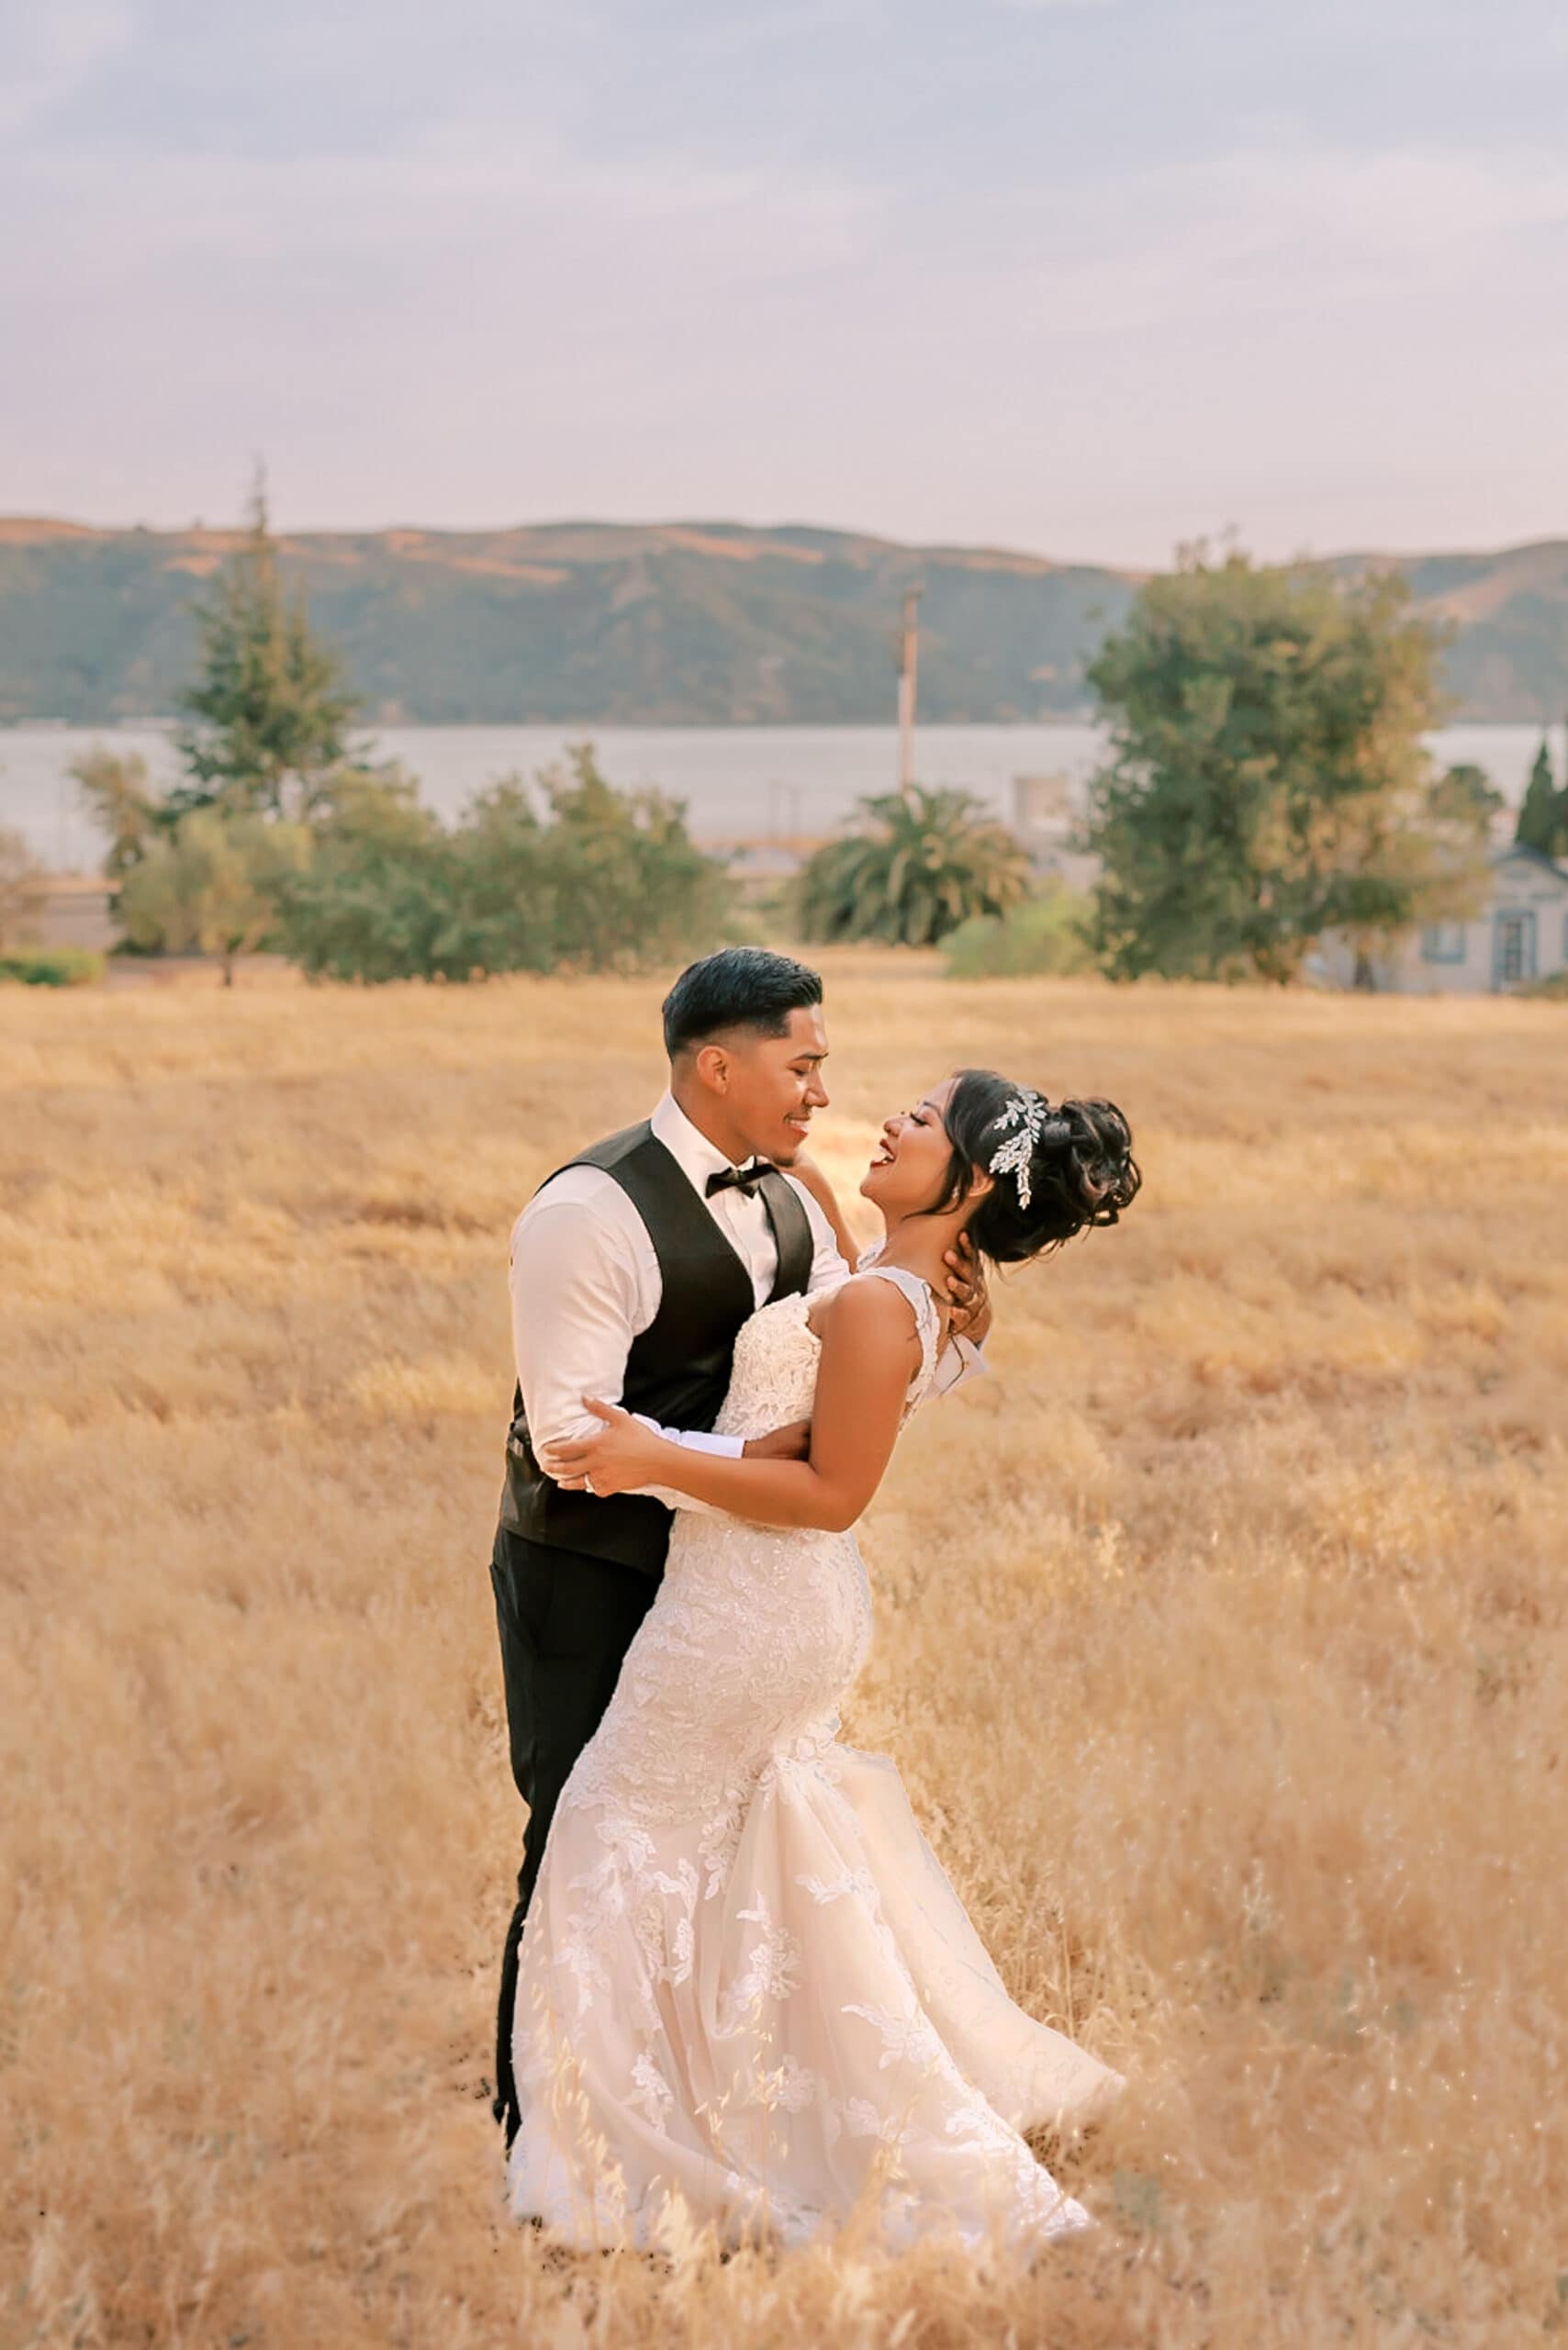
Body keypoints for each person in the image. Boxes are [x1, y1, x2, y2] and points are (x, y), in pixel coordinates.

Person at [506, 1065, 1141, 2253]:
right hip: (788, 1608)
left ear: (971, 1178)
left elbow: (832, 1491)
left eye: (925, 1118)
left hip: (749, 1606)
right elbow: (836, 1333)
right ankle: (743, 2094)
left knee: (605, 1833)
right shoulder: (930, 1291)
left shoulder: (872, 1309)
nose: (893, 1118)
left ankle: (620, 2142)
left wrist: (654, 1457)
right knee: (724, 1852)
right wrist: (785, 1149)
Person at [488, 948, 990, 2148]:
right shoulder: (586, 1213)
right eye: (802, 1066)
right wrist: (733, 1461)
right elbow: (570, 1440)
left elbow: (843, 1350)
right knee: (581, 1836)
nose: (825, 1091)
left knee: (720, 1844)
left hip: (733, 1583)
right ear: (718, 1067)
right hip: (592, 1567)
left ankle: (700, 2102)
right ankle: (545, 2121)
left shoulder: (794, 1198)